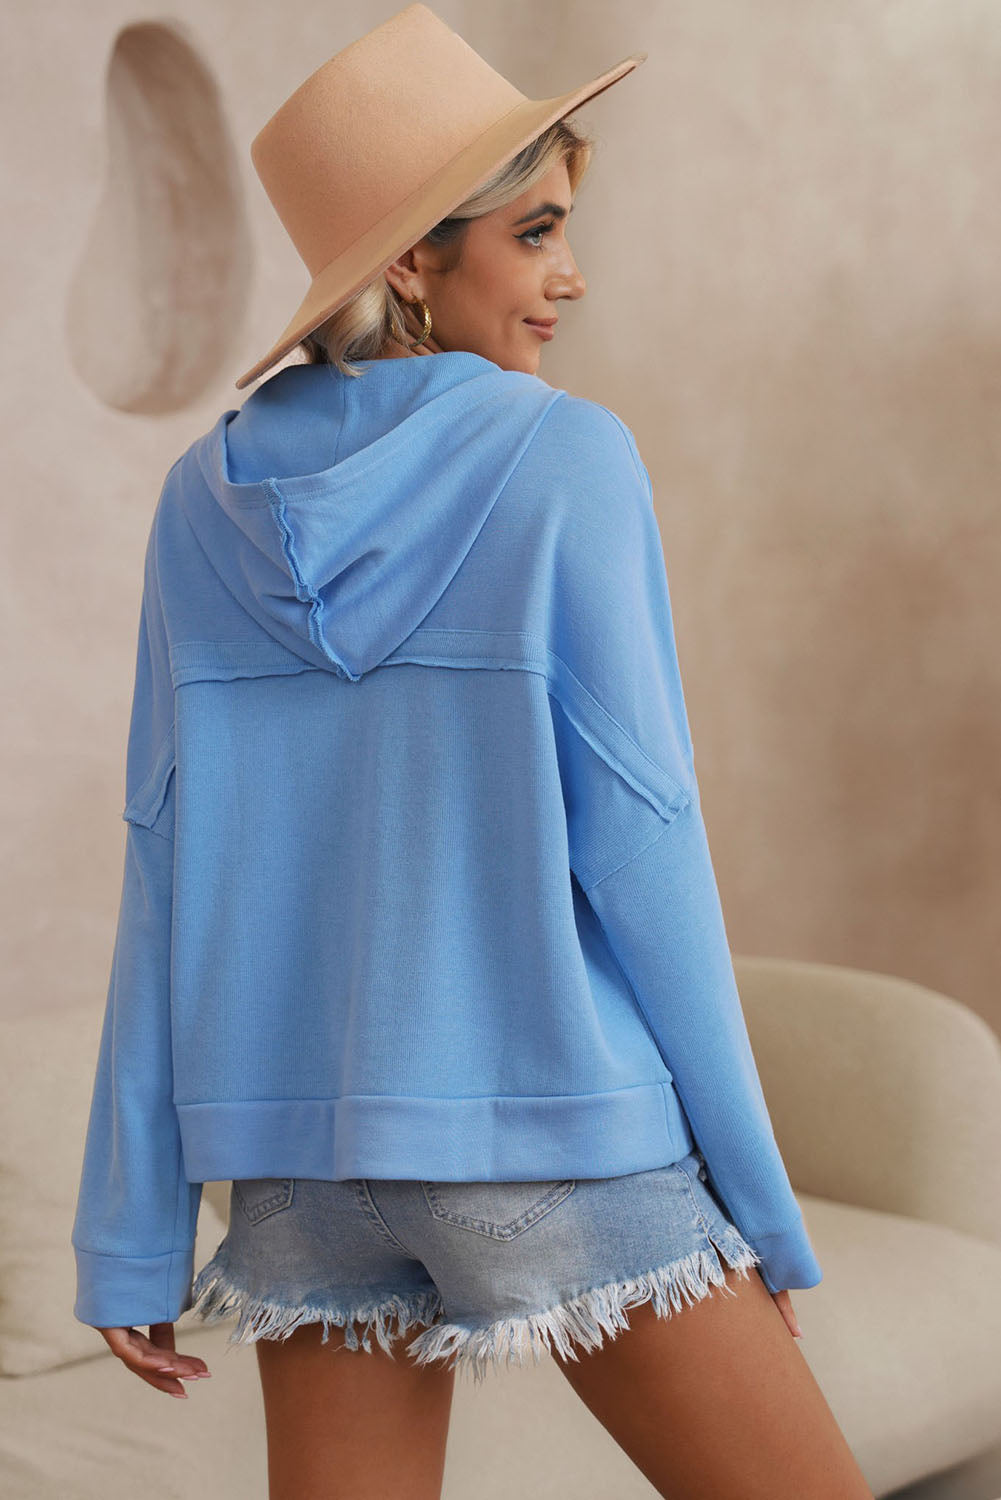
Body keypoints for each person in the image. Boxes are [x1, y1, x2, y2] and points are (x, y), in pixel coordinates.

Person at [70, 7, 876, 1498]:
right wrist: (759, 1204)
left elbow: (163, 856)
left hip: (300, 1169)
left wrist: (130, 1233)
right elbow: (645, 838)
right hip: (551, 1131)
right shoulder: (563, 455)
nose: (572, 275)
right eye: (536, 232)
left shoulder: (200, 498)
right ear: (409, 263)